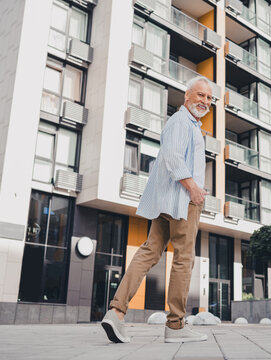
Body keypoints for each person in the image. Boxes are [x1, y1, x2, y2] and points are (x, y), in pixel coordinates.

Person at [101, 76, 213, 343]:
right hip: (183, 200)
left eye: (209, 98)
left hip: (170, 200)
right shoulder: (180, 122)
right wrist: (194, 189)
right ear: (187, 96)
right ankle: (175, 326)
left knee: (150, 251)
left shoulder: (189, 124)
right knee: (184, 258)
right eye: (200, 95)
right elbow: (173, 156)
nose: (205, 102)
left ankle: (116, 312)